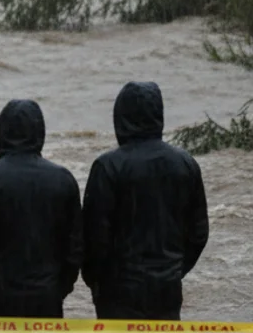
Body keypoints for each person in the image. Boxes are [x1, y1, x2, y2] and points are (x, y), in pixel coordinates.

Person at [83, 81, 209, 320]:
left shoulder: (108, 166)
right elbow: (198, 232)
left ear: (120, 116)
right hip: (168, 288)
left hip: (119, 291)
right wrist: (175, 270)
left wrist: (98, 281)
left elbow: (94, 236)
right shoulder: (185, 163)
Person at [0, 99, 83, 317]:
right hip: (45, 300)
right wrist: (57, 289)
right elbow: (73, 251)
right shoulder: (63, 180)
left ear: (1, 132)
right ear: (39, 132)